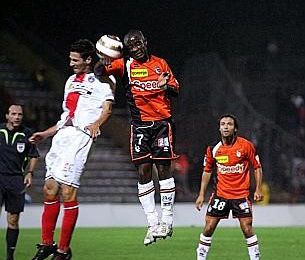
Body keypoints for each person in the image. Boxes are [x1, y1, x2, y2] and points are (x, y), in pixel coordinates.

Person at [30, 39, 115, 260]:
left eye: (75, 60)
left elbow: (107, 109)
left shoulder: (104, 80)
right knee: (49, 189)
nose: (71, 63)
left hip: (81, 138)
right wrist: (45, 134)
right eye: (70, 59)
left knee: (68, 192)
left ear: (88, 59)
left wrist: (97, 124)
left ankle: (63, 250)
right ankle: (47, 244)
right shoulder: (69, 81)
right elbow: (65, 117)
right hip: (62, 137)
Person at [95, 30, 180, 245]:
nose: (136, 47)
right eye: (131, 45)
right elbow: (98, 71)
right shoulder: (124, 65)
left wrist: (166, 86)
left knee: (163, 169)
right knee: (143, 171)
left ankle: (167, 221)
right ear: (127, 49)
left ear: (145, 42)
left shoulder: (160, 64)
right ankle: (152, 224)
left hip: (162, 124)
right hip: (140, 125)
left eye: (138, 43)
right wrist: (104, 57)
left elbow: (176, 89)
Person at [195, 114, 263, 260]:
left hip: (241, 195)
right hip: (221, 195)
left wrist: (258, 188)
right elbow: (207, 171)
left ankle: (255, 258)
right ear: (219, 128)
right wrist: (201, 194)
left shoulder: (246, 146)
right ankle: (200, 257)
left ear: (235, 128)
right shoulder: (213, 149)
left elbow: (257, 167)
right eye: (223, 124)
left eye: (230, 124)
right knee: (208, 228)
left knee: (247, 228)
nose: (226, 126)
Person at [0, 104, 39, 260]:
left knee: (13, 219)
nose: (17, 117)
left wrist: (30, 172)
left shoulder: (27, 134)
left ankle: (10, 256)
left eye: (20, 114)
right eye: (13, 114)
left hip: (16, 180)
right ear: (7, 115)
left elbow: (34, 155)